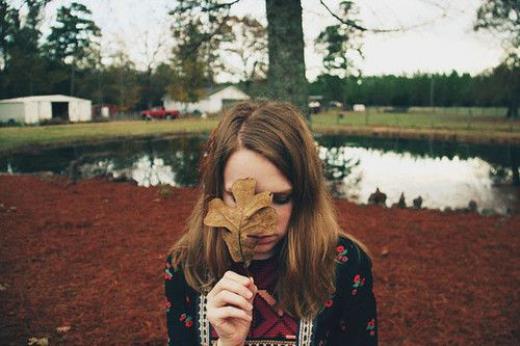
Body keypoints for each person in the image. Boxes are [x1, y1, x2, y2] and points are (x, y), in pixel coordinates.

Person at [164, 101, 378, 346]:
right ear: (215, 192)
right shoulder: (186, 265)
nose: (260, 226)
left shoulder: (344, 265)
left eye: (280, 198)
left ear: (303, 195)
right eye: (238, 196)